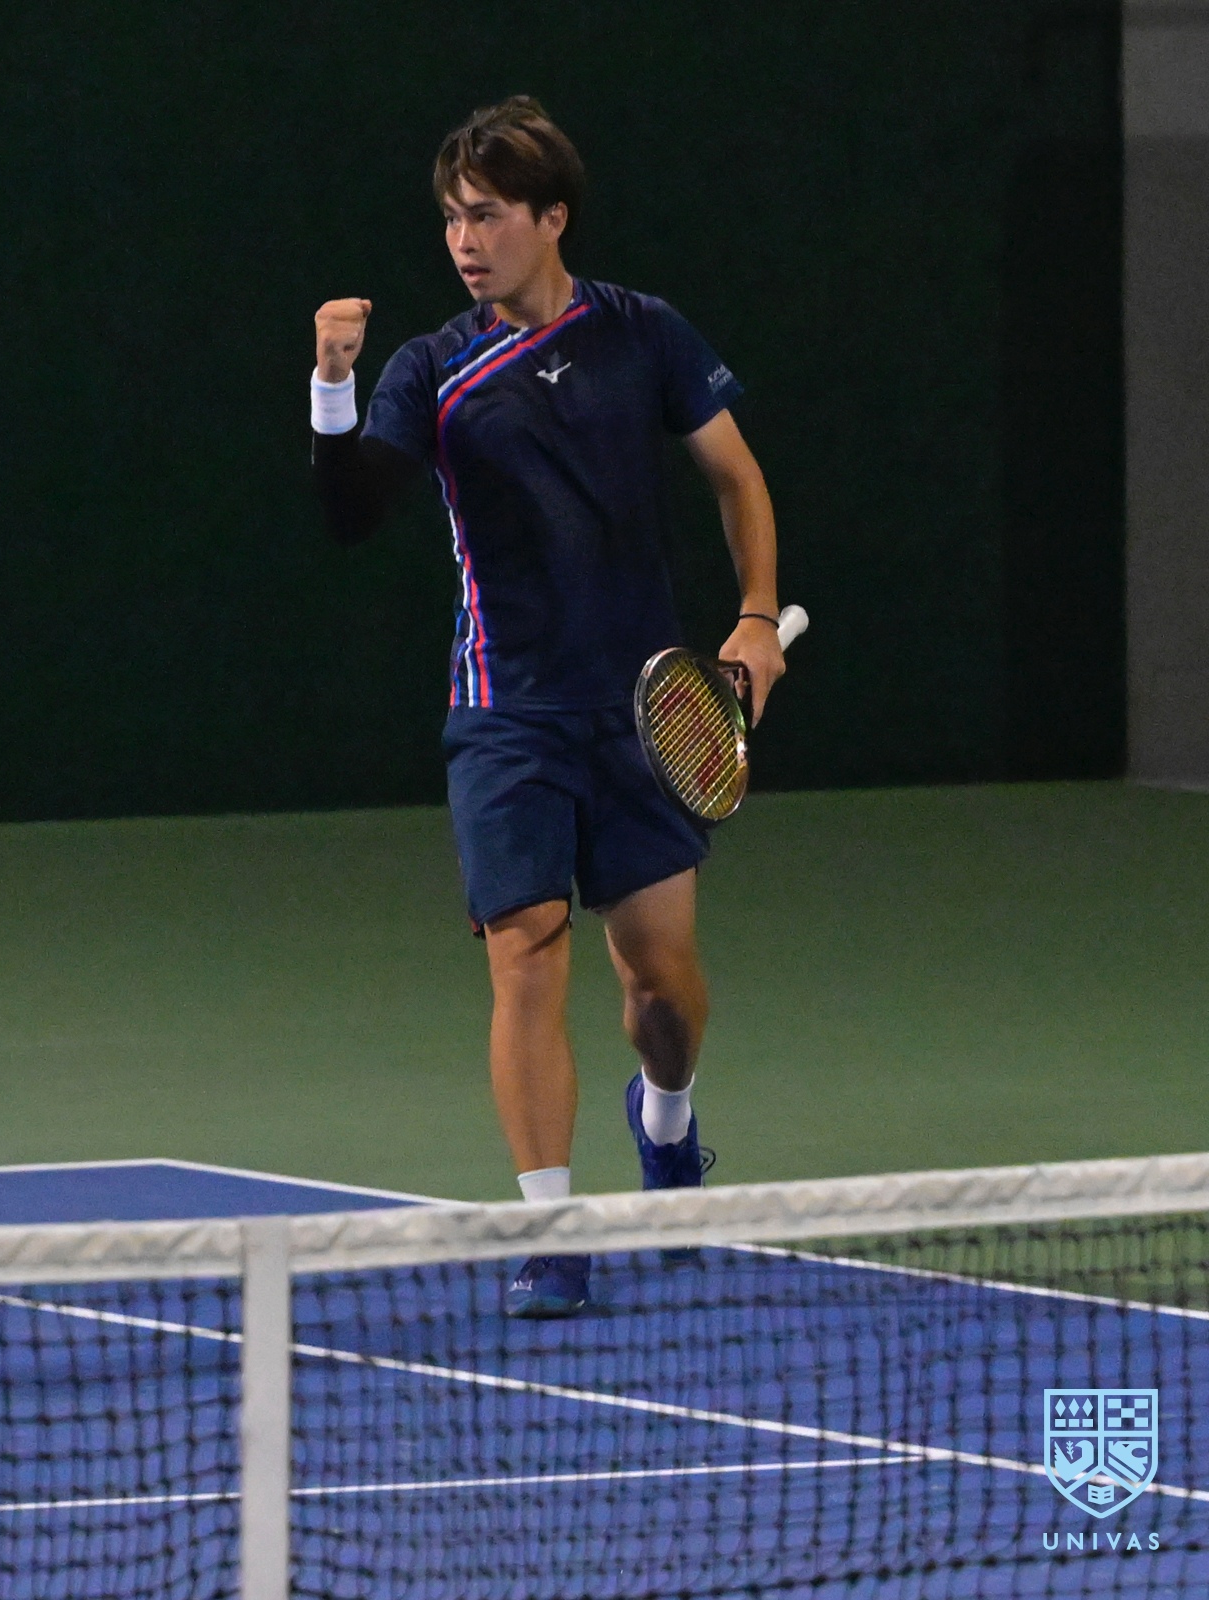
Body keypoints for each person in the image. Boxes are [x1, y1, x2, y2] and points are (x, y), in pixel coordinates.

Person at [308, 99, 785, 1318]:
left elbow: (736, 475)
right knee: (524, 951)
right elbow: (353, 511)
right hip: (504, 709)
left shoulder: (644, 332)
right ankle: (549, 1229)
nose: (465, 241)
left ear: (551, 217)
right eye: (451, 219)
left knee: (660, 988)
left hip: (642, 709)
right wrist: (333, 388)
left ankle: (665, 1122)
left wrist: (752, 616)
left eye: (488, 216)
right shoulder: (431, 367)